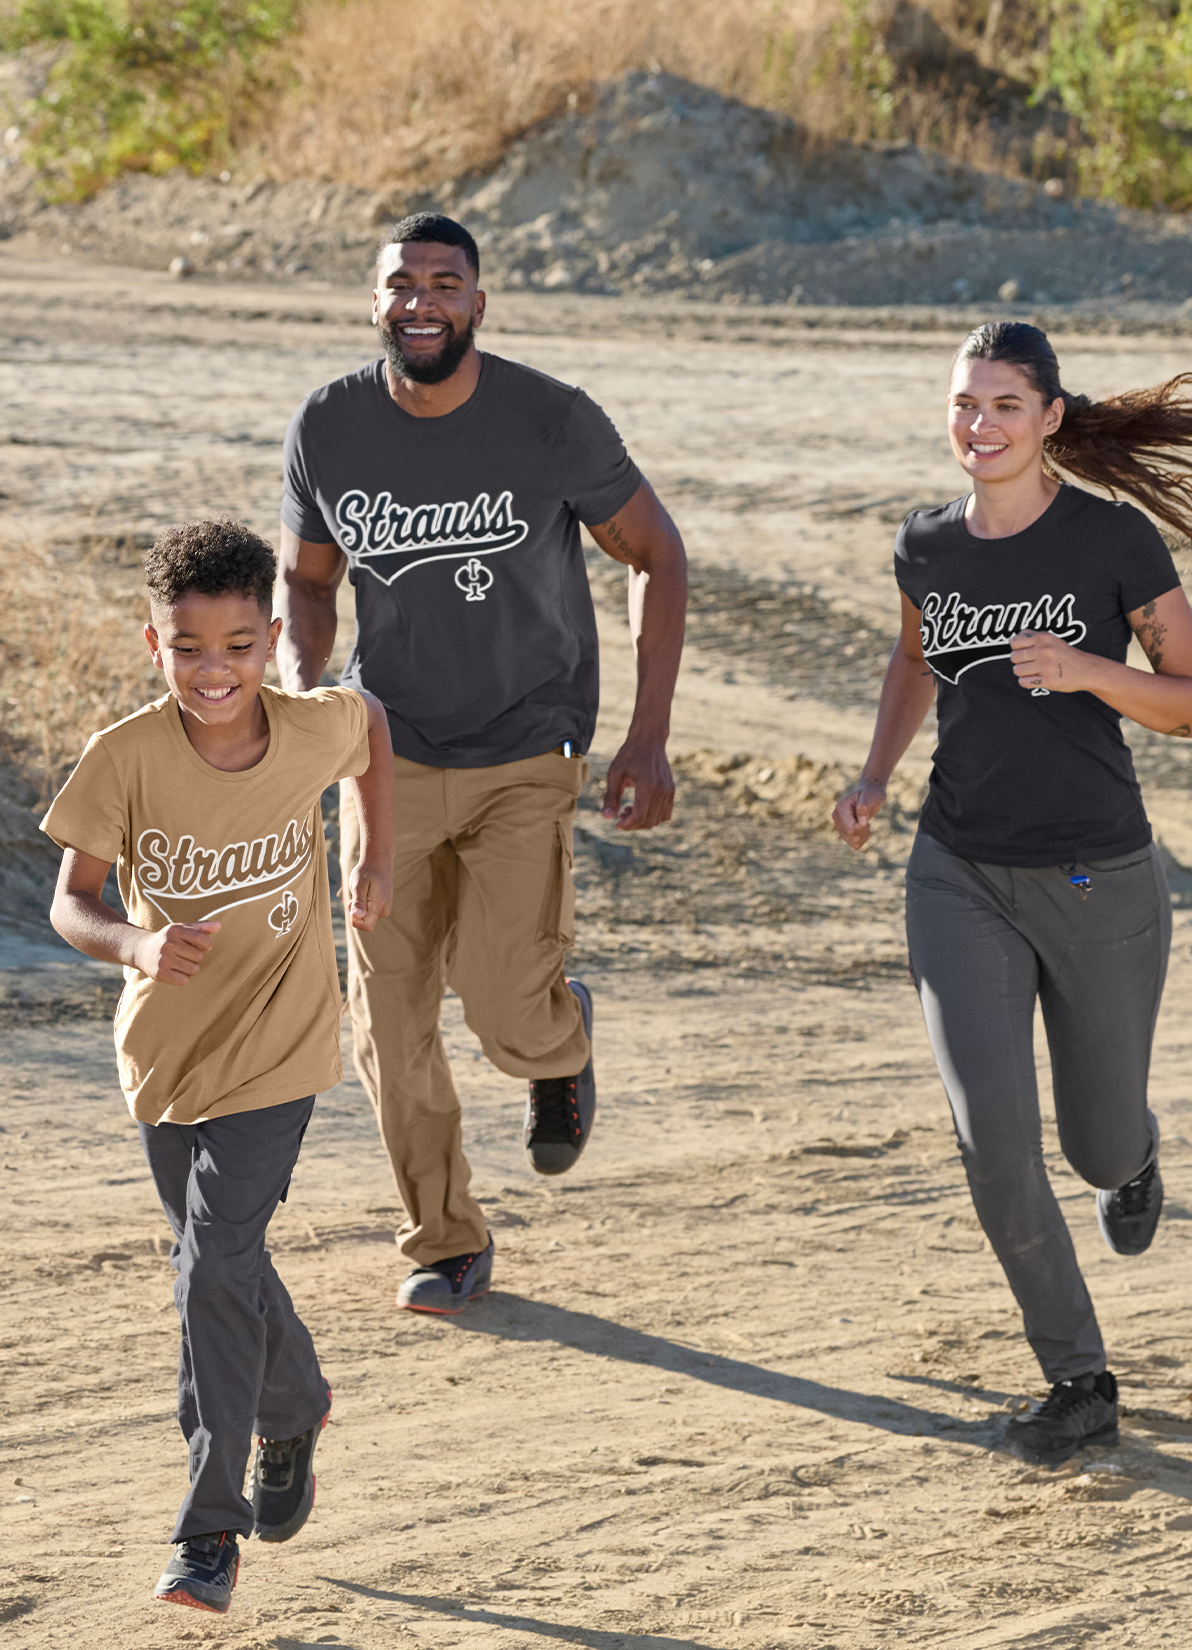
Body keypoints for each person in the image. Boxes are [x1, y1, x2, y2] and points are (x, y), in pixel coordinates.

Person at [833, 321, 1192, 1468]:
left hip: (1097, 876)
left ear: (1050, 421)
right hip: (957, 872)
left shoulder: (1111, 539)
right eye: (964, 404)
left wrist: (1087, 670)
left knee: (1093, 1143)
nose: (979, 426)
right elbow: (915, 657)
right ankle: (1078, 1378)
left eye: (1005, 407)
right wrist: (875, 775)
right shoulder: (925, 543)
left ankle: (1135, 1158)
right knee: (994, 1143)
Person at [275, 212, 687, 1315]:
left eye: (444, 283)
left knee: (507, 1010)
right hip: (385, 756)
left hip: (522, 748)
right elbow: (308, 581)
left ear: (478, 305)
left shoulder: (550, 421)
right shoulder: (329, 425)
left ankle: (561, 1040)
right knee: (387, 1022)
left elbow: (655, 551)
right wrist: (304, 680)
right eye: (401, 284)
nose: (421, 302)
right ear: (376, 304)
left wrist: (647, 735)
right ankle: (445, 1238)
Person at [42, 521, 395, 1613]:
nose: (214, 670)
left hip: (283, 1047)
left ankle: (208, 1532)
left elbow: (372, 726)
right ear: (156, 646)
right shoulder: (123, 757)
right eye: (188, 648)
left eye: (239, 646)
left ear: (271, 639)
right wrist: (137, 944)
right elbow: (72, 901)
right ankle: (295, 1402)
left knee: (208, 1268)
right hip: (167, 1052)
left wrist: (373, 852)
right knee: (219, 1263)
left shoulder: (309, 726)